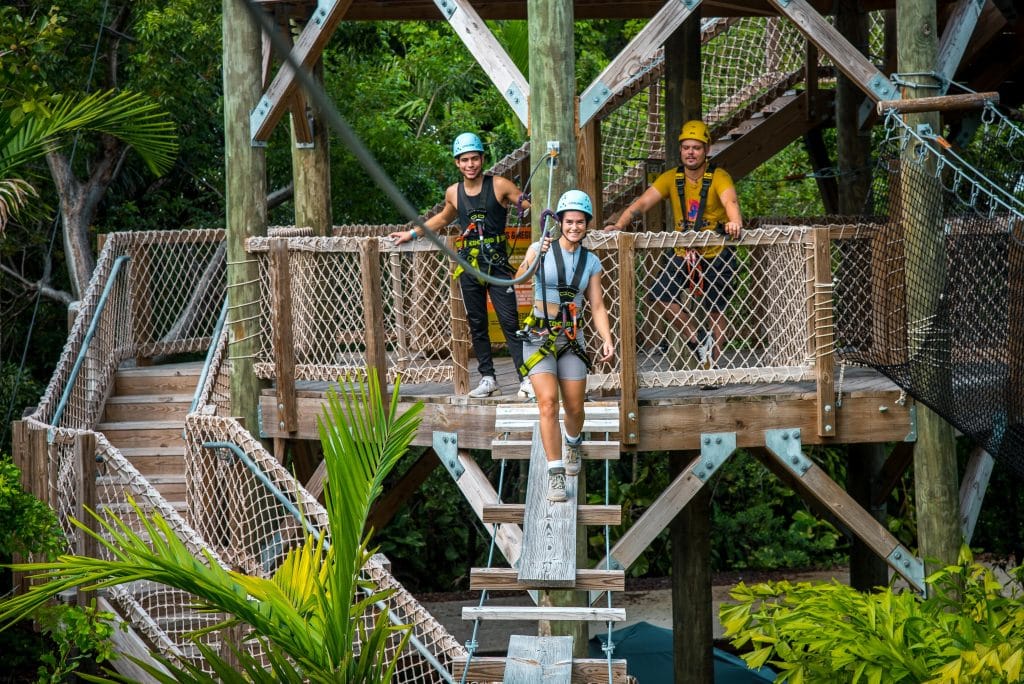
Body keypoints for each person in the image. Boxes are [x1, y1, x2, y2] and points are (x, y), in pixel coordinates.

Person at [391, 133, 533, 398]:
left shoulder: (500, 185)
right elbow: (442, 219)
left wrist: (533, 210)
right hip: (468, 263)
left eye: (475, 159)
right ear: (457, 163)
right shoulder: (453, 193)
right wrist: (410, 235)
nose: (471, 164)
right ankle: (488, 378)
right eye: (465, 160)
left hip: (497, 263)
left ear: (482, 159)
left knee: (509, 320)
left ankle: (525, 378)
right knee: (476, 322)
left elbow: (527, 205)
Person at [603, 119, 742, 368]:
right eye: (686, 147)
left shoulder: (719, 177)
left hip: (715, 251)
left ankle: (713, 365)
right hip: (683, 250)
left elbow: (730, 201)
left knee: (716, 309)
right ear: (680, 150)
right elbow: (641, 204)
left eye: (696, 147)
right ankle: (698, 340)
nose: (691, 152)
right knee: (658, 297)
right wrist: (620, 225)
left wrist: (734, 222)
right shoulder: (671, 178)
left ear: (706, 150)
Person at [515, 190, 615, 502]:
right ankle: (555, 474)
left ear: (587, 224)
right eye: (569, 221)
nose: (574, 227)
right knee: (547, 403)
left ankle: (572, 442)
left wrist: (607, 340)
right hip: (540, 336)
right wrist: (532, 258)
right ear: (559, 222)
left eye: (580, 222)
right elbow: (517, 282)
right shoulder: (539, 249)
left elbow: (597, 305)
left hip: (572, 339)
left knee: (574, 407)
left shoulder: (591, 261)